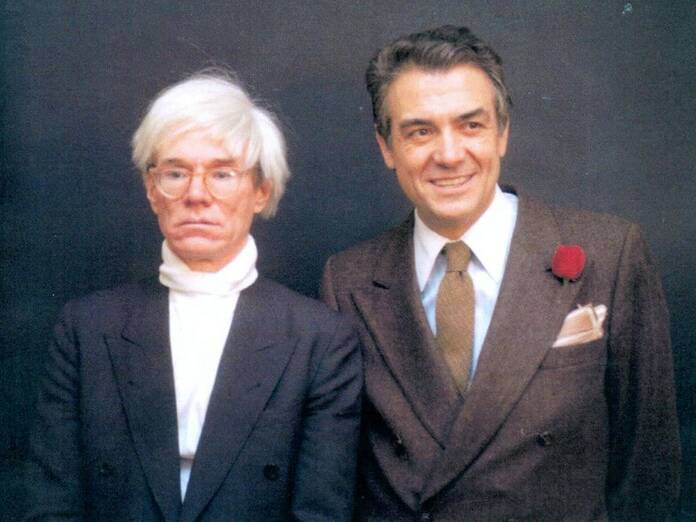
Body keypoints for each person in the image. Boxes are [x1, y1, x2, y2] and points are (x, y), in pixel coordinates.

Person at [321, 25, 680, 521]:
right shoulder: (348, 281)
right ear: (386, 147)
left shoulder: (610, 255)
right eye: (420, 131)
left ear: (503, 133)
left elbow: (647, 473)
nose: (449, 155)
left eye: (471, 125)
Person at [25, 71, 362, 521]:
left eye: (222, 173)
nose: (196, 194)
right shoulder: (86, 329)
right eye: (176, 173)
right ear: (152, 190)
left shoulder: (320, 340)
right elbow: (51, 505)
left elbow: (320, 514)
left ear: (261, 191)